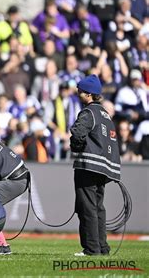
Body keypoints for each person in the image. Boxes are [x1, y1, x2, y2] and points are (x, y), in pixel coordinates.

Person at [70, 74, 121, 256]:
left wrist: (76, 147)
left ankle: (91, 249)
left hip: (89, 165)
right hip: (105, 167)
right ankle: (102, 248)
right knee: (98, 207)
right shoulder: (106, 115)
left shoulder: (88, 112)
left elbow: (77, 133)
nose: (78, 94)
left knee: (87, 208)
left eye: (80, 92)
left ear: (88, 95)